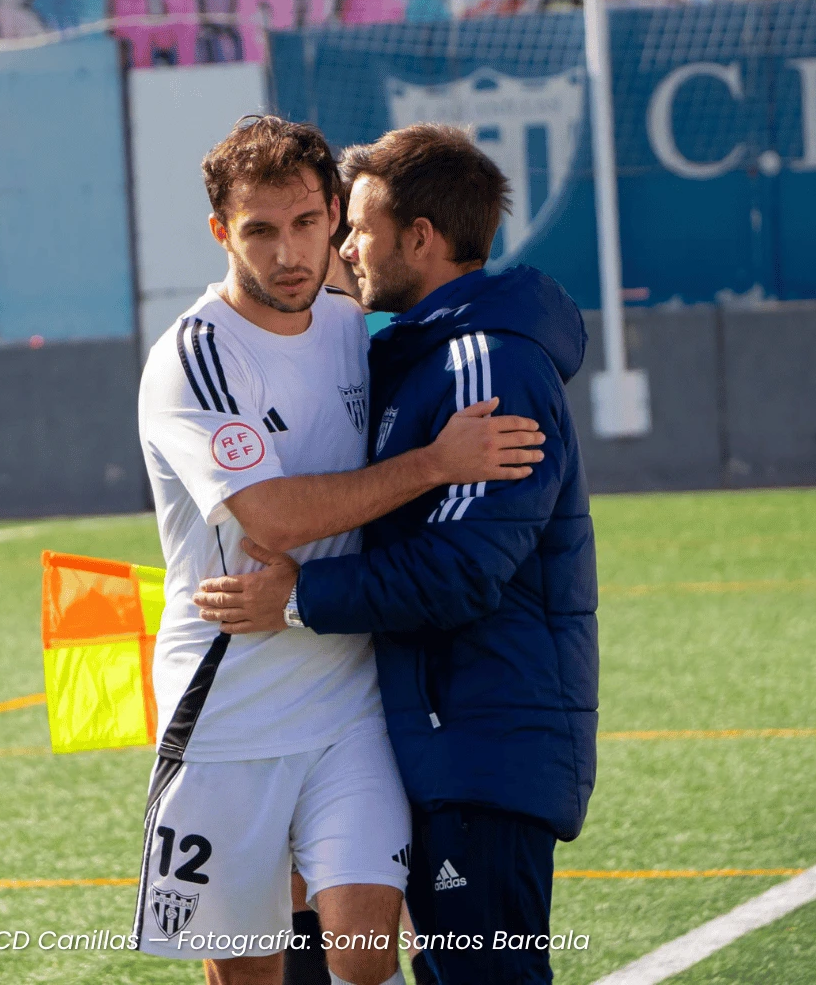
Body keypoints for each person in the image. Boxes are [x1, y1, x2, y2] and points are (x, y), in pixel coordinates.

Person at [134, 115, 547, 985]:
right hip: (227, 706)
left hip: (349, 699)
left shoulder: (350, 319)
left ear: (335, 215)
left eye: (308, 224)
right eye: (259, 231)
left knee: (363, 955)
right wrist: (433, 463)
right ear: (220, 232)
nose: (288, 253)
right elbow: (272, 519)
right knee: (250, 971)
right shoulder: (194, 357)